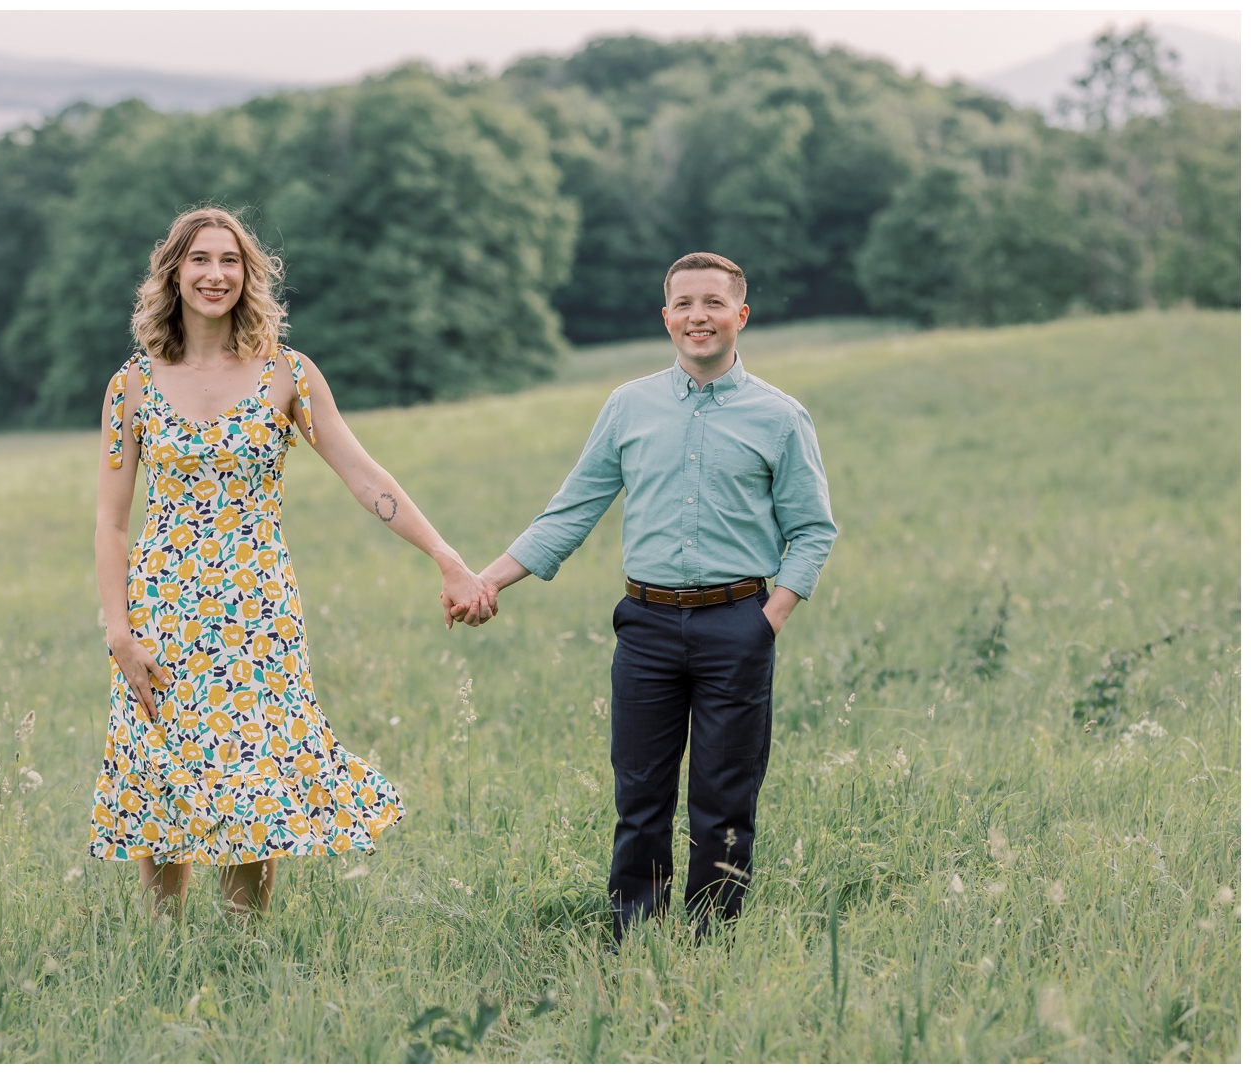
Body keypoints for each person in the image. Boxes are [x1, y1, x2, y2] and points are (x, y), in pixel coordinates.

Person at [90, 206, 497, 920]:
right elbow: (111, 519)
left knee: (253, 774)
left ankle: (246, 945)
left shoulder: (288, 375)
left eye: (230, 261)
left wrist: (447, 555)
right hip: (162, 612)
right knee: (161, 771)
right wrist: (118, 630)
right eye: (200, 260)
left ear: (248, 276)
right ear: (173, 274)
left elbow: (363, 474)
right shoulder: (131, 385)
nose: (215, 275)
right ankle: (160, 947)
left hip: (258, 612)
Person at [453, 252, 836, 942]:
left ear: (740, 316)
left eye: (714, 303)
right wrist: (488, 579)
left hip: (737, 627)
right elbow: (572, 510)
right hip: (647, 627)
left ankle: (712, 937)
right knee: (640, 796)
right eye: (685, 303)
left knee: (723, 799)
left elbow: (812, 530)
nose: (699, 316)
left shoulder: (780, 417)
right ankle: (634, 934)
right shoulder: (629, 406)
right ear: (666, 317)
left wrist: (768, 621)